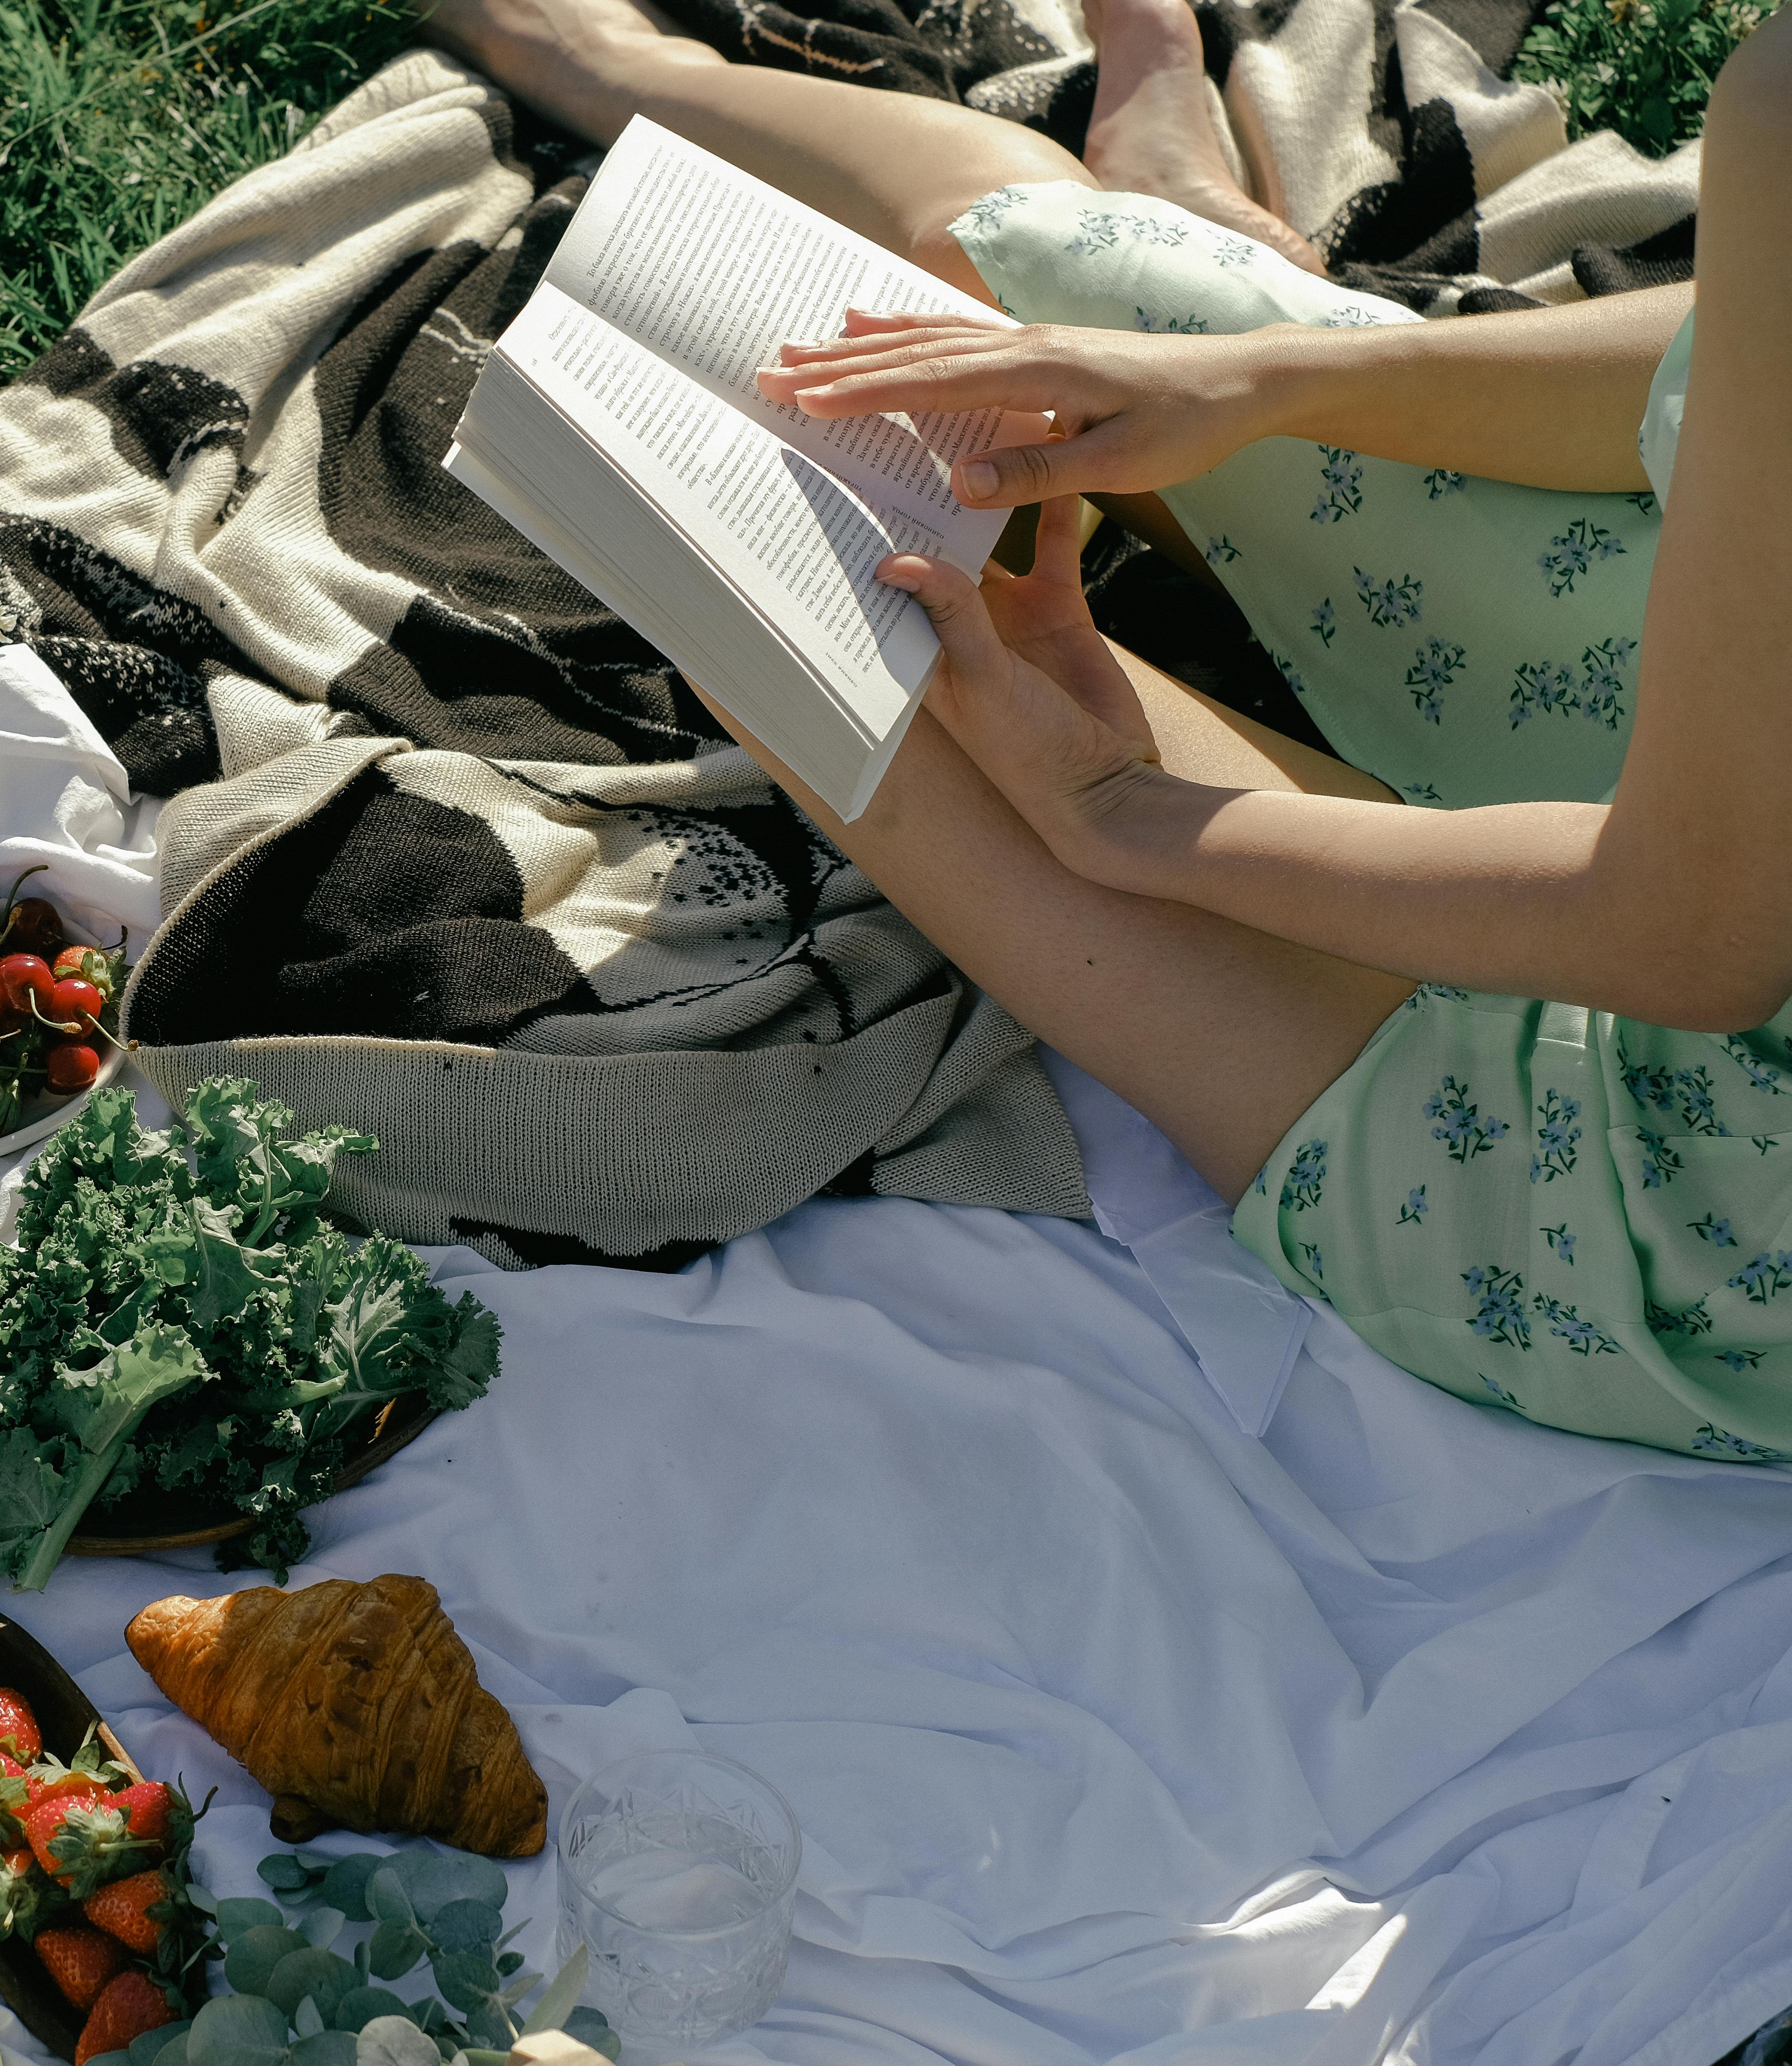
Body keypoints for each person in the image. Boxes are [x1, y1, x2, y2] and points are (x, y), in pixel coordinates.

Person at [422, 0, 1792, 1461]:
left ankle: (1173, 221)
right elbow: (1740, 353)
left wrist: (1136, 821)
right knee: (993, 310)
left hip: (1690, 1153)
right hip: (1714, 672)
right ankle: (632, 74)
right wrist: (1267, 379)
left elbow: (1689, 942)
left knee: (820, 624)